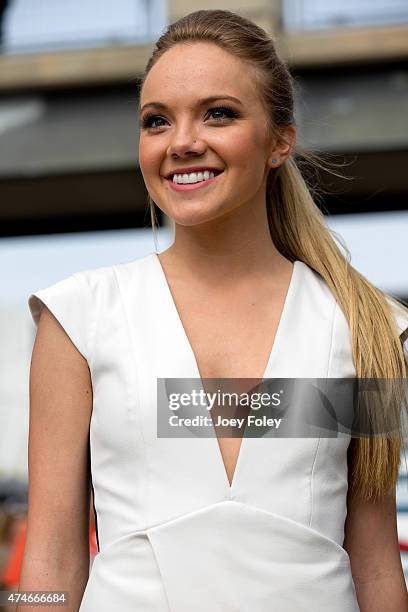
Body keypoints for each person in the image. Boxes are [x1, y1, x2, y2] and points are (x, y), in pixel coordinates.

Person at [19, 9, 408, 612]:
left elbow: (377, 566)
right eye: (157, 121)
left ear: (281, 139)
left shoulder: (360, 325)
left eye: (218, 113)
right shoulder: (80, 319)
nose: (183, 142)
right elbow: (50, 562)